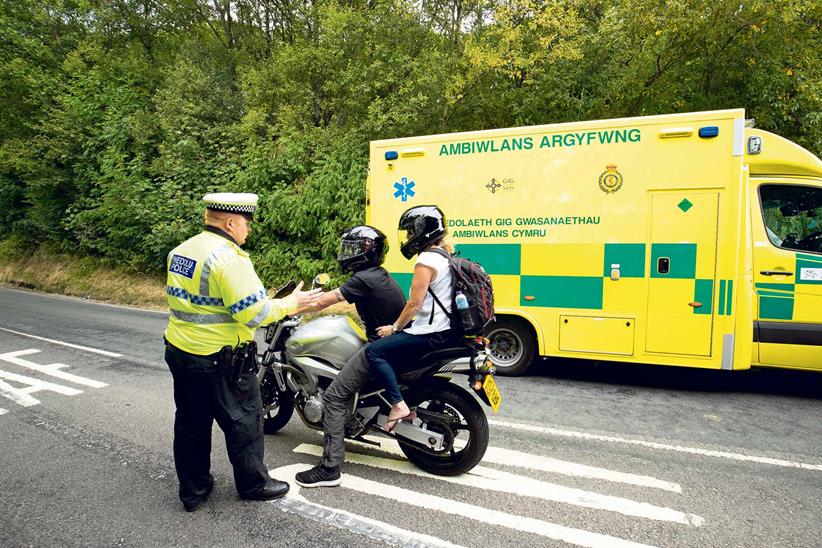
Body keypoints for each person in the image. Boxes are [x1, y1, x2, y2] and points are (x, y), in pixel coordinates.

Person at [163, 192, 322, 512]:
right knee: (246, 421)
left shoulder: (180, 251)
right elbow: (254, 314)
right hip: (222, 360)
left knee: (191, 424)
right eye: (246, 223)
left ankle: (193, 491)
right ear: (231, 222)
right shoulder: (229, 258)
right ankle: (253, 484)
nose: (248, 229)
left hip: (181, 351)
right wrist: (295, 303)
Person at [295, 226, 406, 488]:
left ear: (365, 252)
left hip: (381, 346)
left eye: (352, 249)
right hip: (394, 343)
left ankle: (329, 468)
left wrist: (292, 305)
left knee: (333, 397)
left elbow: (325, 302)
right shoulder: (377, 274)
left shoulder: (362, 279)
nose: (347, 254)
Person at [366, 205, 459, 432]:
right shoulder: (444, 255)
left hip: (429, 333)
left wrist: (394, 327)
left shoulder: (426, 260)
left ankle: (398, 405)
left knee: (374, 351)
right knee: (398, 358)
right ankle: (411, 402)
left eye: (410, 232)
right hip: (444, 331)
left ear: (422, 230)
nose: (408, 237)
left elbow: (414, 303)